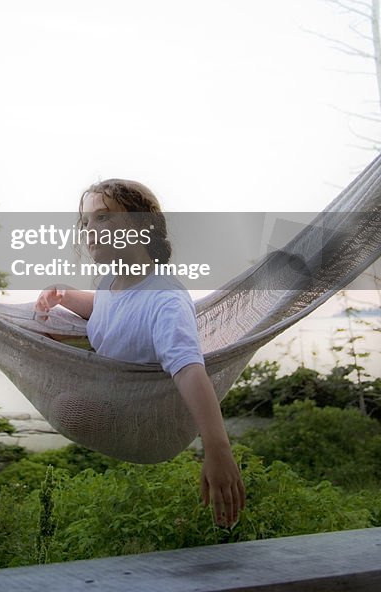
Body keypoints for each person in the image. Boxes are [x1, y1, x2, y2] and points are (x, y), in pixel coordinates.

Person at [35, 178, 246, 527]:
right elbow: (112, 309)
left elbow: (190, 368)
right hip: (112, 394)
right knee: (37, 317)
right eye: (86, 223)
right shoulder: (110, 284)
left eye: (103, 218)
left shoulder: (165, 299)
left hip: (144, 419)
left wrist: (217, 447)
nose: (90, 230)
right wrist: (69, 297)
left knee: (65, 405)